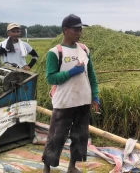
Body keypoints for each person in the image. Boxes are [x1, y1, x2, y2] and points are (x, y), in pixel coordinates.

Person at [42, 14, 100, 173]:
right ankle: (47, 167)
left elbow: (92, 75)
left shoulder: (84, 49)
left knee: (80, 136)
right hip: (64, 102)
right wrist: (72, 72)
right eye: (76, 29)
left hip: (83, 100)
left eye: (80, 29)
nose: (79, 32)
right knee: (56, 136)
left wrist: (95, 96)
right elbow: (51, 77)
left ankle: (72, 166)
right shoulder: (55, 52)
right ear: (65, 30)